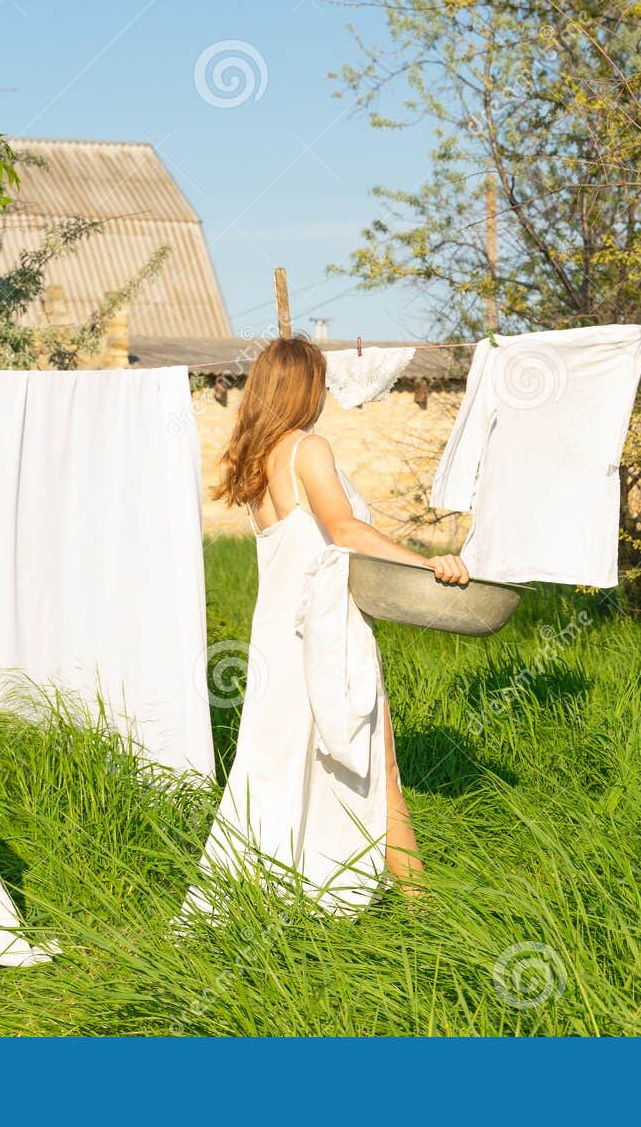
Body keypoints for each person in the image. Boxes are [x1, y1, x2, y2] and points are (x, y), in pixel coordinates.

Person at [184, 337, 468, 917]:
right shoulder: (307, 448)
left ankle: (274, 893)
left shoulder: (253, 460)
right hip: (323, 635)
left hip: (277, 639)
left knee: (274, 768)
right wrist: (428, 562)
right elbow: (342, 530)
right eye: (321, 381)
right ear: (304, 387)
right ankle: (420, 911)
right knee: (378, 768)